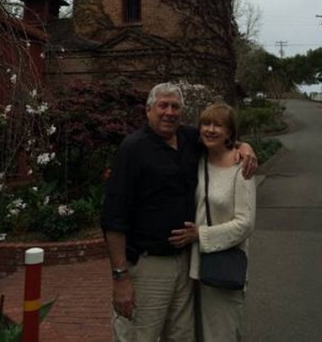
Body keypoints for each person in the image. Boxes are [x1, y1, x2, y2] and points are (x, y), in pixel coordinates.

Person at [101, 82, 257, 342]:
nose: (169, 112)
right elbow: (113, 219)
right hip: (149, 265)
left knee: (182, 336)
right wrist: (120, 277)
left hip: (186, 265)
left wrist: (244, 146)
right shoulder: (133, 149)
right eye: (163, 105)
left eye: (175, 107)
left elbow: (218, 135)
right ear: (148, 109)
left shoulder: (187, 139)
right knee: (141, 335)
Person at [169, 102, 256, 342]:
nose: (210, 130)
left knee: (221, 334)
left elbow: (245, 224)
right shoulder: (197, 160)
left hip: (222, 265)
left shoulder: (241, 168)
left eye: (218, 125)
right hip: (190, 266)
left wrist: (201, 235)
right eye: (206, 124)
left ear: (230, 132)